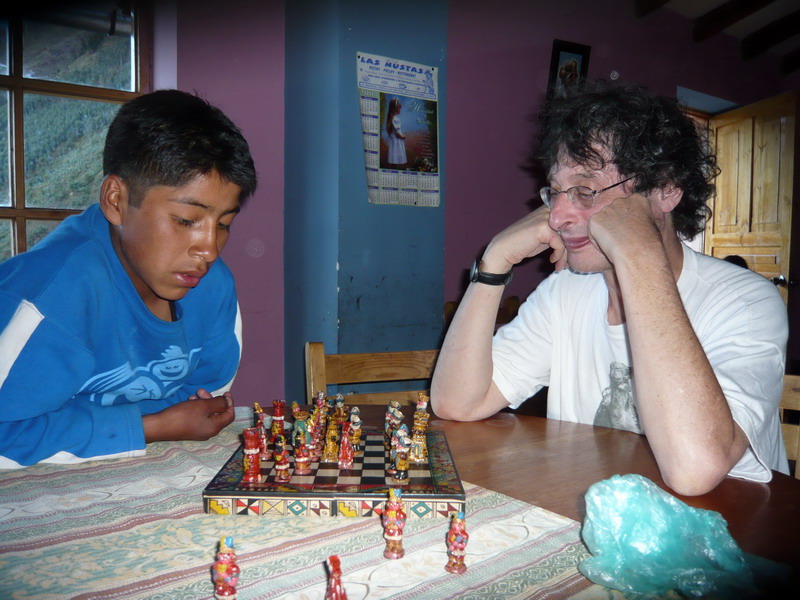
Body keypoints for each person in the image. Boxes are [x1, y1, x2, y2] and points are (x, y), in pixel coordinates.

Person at [431, 80, 788, 496]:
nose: (558, 217)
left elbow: (695, 471)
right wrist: (494, 263)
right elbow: (458, 403)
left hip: (726, 531)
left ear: (666, 189)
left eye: (585, 190)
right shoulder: (565, 292)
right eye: (556, 192)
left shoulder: (744, 302)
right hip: (603, 522)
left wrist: (637, 250)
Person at [0, 89, 257, 468]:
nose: (209, 250)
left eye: (223, 224)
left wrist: (160, 424)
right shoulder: (48, 295)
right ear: (116, 200)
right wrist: (150, 426)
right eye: (186, 220)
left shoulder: (213, 286)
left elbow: (202, 403)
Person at [385, 98, 407, 166]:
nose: (400, 110)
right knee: (397, 153)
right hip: (397, 142)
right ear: (395, 109)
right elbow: (398, 134)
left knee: (393, 154)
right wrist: (404, 136)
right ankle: (397, 165)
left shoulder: (391, 119)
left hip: (392, 141)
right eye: (399, 108)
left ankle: (394, 164)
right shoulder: (396, 120)